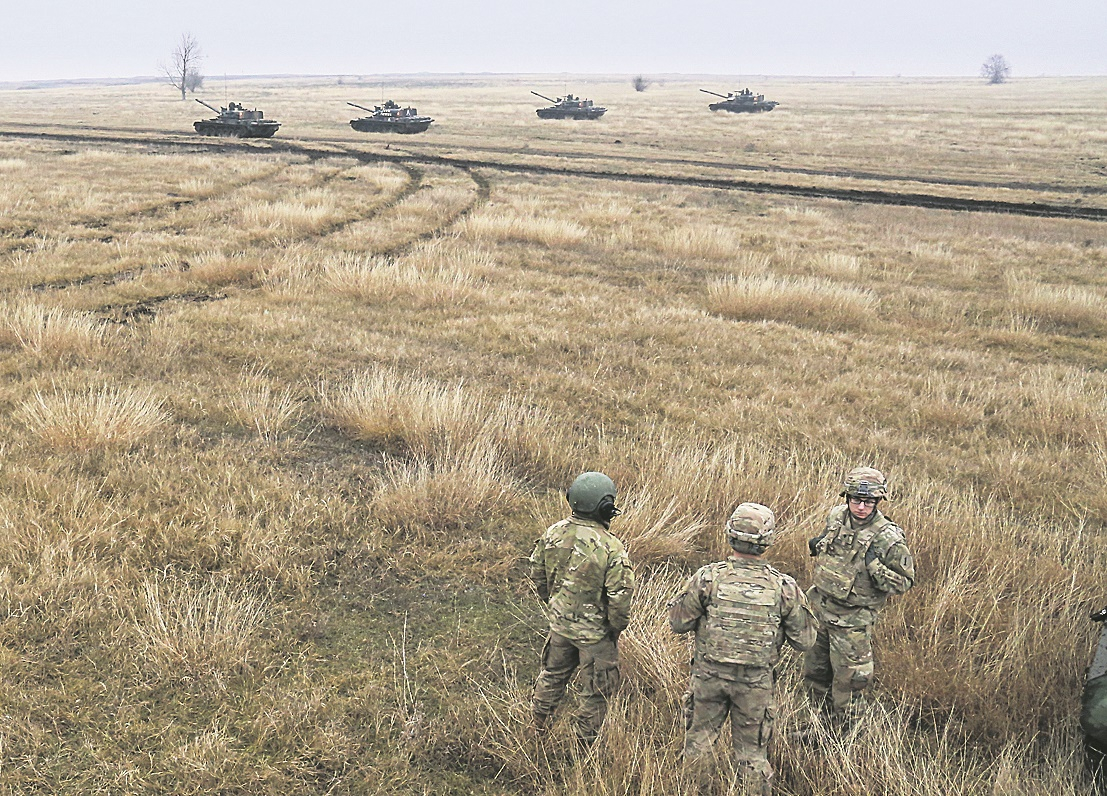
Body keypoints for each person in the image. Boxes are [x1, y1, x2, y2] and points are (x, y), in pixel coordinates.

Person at [668, 502, 816, 795]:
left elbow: (679, 623)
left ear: (730, 535)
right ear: (768, 540)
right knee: (751, 755)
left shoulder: (708, 578)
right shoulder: (783, 587)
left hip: (708, 677)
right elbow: (805, 640)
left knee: (698, 744)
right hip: (755, 684)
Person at [529, 471, 634, 748]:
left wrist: (555, 606)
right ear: (606, 507)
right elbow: (620, 599)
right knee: (596, 692)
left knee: (552, 676)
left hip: (560, 627)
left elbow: (537, 573)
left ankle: (538, 728)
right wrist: (613, 629)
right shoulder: (611, 547)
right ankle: (582, 747)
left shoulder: (553, 532)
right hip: (596, 637)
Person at [804, 466, 915, 724]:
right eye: (856, 499)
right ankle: (819, 727)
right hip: (821, 608)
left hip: (853, 621)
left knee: (850, 684)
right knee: (815, 674)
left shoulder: (888, 538)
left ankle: (845, 738)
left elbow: (904, 582)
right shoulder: (836, 517)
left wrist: (874, 566)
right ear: (847, 498)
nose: (862, 507)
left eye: (868, 501)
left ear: (878, 501)